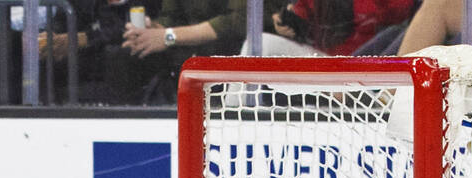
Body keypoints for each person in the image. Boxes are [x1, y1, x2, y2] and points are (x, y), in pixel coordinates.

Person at [116, 0, 246, 103]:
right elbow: (171, 17)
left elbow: (237, 20)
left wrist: (168, 36)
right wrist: (152, 30)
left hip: (230, 58)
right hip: (186, 59)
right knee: (122, 55)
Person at [254, 0, 414, 57]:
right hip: (322, 59)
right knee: (262, 43)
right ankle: (235, 112)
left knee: (396, 32)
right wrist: (286, 23)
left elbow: (402, 17)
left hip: (364, 65)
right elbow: (302, 17)